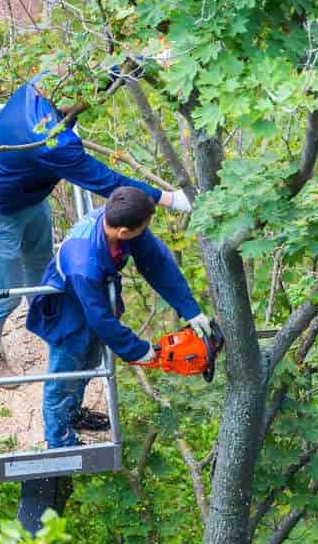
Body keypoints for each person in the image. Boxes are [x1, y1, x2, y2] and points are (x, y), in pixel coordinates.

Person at [0, 74, 191, 382]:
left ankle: (47, 323)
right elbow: (107, 181)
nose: (92, 99)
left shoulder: (43, 82)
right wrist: (170, 199)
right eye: (88, 95)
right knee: (6, 291)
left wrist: (130, 66)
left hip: (31, 199)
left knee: (41, 267)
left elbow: (91, 71)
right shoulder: (52, 141)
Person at [27, 186, 210, 449]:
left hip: (95, 296)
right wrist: (136, 350)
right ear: (124, 232)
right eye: (144, 227)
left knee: (88, 364)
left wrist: (189, 308)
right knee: (64, 376)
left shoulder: (120, 221)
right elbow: (101, 319)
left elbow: (156, 263)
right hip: (68, 310)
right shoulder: (84, 261)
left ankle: (73, 414)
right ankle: (59, 440)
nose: (146, 231)